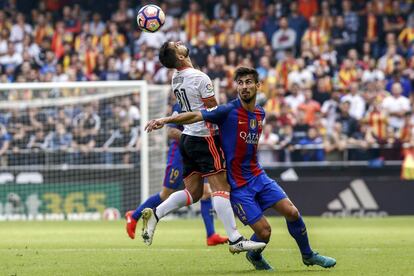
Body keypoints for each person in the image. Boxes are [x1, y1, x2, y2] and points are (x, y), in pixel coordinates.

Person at [145, 67, 336, 271]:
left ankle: (308, 255)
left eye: (248, 82)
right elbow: (195, 116)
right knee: (265, 232)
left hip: (258, 176)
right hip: (237, 186)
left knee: (292, 212)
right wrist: (165, 120)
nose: (244, 87)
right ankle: (254, 256)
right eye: (240, 83)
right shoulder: (227, 111)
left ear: (257, 86)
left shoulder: (260, 113)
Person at [140, 41, 266, 254]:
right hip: (205, 137)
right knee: (221, 188)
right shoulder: (199, 78)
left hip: (187, 139)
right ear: (179, 56)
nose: (181, 43)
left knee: (194, 192)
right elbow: (212, 110)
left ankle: (156, 213)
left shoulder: (176, 77)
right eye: (176, 45)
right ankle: (235, 239)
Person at [125, 103, 228, 246]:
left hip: (200, 153)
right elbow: (171, 132)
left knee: (206, 192)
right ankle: (134, 216)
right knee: (166, 194)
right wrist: (192, 139)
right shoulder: (181, 105)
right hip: (179, 155)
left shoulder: (204, 105)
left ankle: (211, 235)